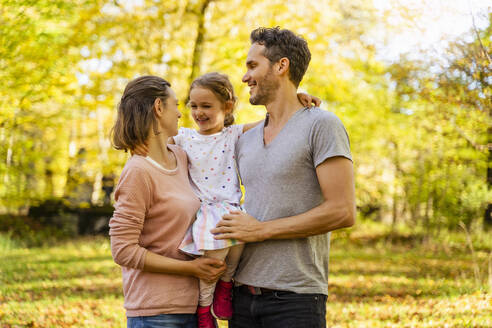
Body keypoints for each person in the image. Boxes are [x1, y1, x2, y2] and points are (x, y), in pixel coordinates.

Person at [133, 72, 320, 328]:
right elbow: (153, 138)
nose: (199, 112)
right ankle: (204, 308)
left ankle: (226, 286)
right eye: (194, 106)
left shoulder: (233, 135)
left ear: (227, 106)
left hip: (232, 209)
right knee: (214, 260)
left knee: (237, 253)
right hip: (206, 213)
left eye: (206, 106)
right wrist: (135, 143)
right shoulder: (185, 137)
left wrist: (297, 101)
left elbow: (273, 119)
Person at [211, 27, 356, 328]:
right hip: (240, 297)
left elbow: (342, 211)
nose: (244, 76)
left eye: (252, 65)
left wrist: (261, 230)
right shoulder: (243, 139)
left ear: (281, 66)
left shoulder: (322, 125)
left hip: (296, 299)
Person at [108, 75, 226, 328]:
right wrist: (191, 270)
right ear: (159, 108)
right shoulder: (138, 171)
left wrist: (295, 104)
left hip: (197, 309)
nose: (182, 114)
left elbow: (226, 138)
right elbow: (122, 249)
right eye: (176, 105)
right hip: (156, 313)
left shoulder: (182, 157)